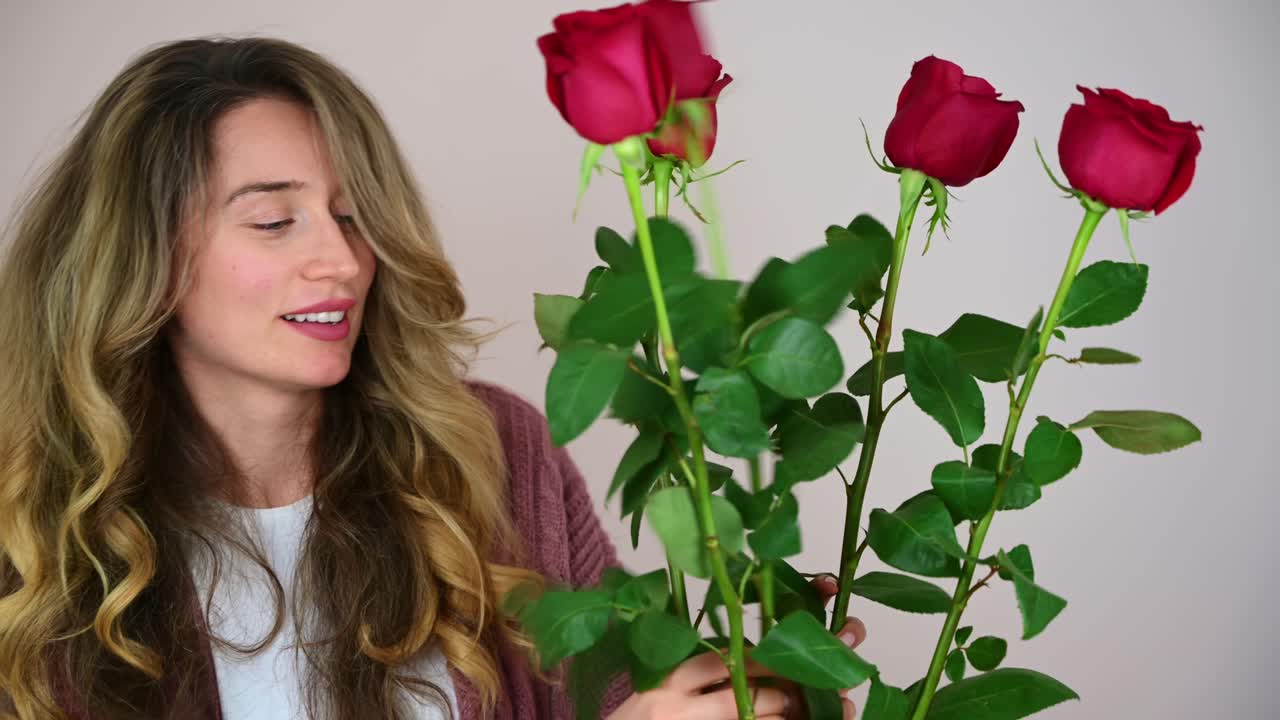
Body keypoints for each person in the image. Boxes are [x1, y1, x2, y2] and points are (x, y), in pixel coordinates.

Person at [0, 36, 866, 720]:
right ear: (143, 255)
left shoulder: (492, 449)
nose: (343, 260)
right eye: (273, 221)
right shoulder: (28, 530)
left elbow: (617, 693)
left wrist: (756, 687)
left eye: (354, 216)